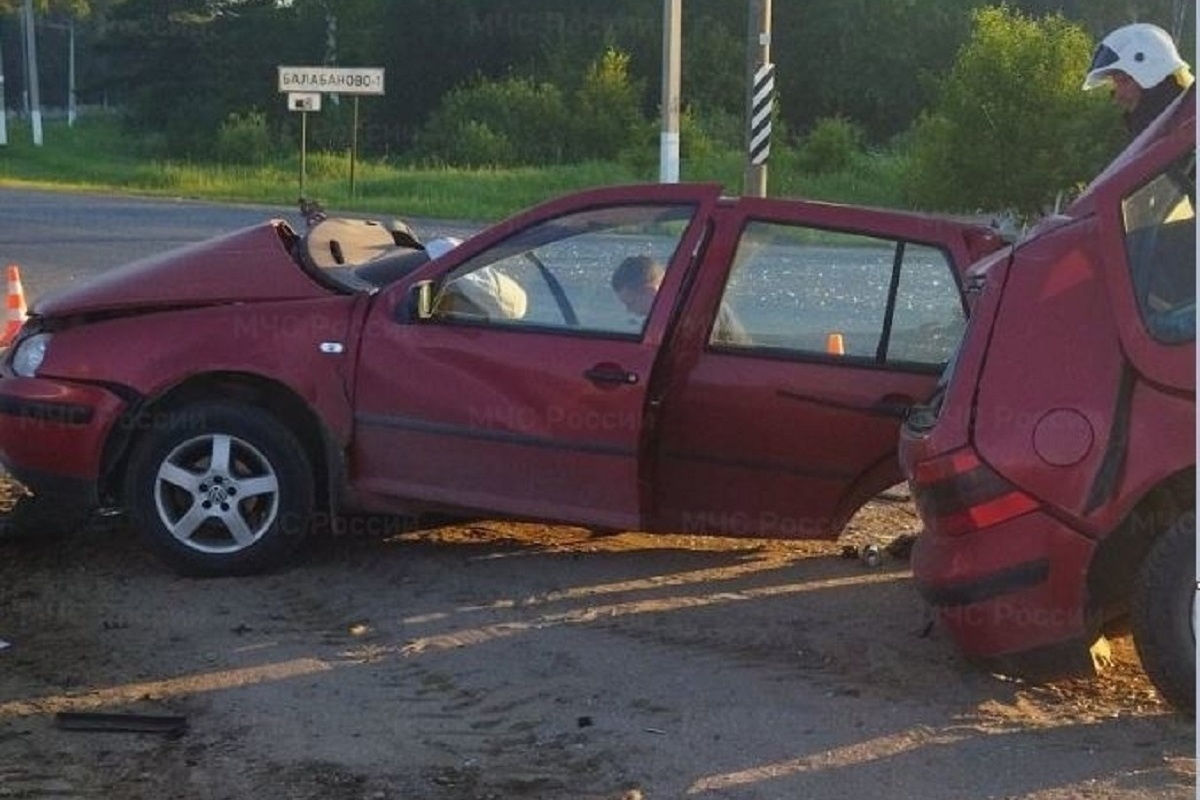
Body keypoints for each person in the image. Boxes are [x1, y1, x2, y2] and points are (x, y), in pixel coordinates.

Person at [1082, 22, 1194, 138]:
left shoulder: (1186, 135)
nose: (1118, 96)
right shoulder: (1176, 133)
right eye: (1115, 85)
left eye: (1124, 81)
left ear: (1153, 80)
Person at [612, 255, 750, 345]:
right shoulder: (677, 306)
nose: (629, 311)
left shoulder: (694, 310)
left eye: (631, 303)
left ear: (650, 292)